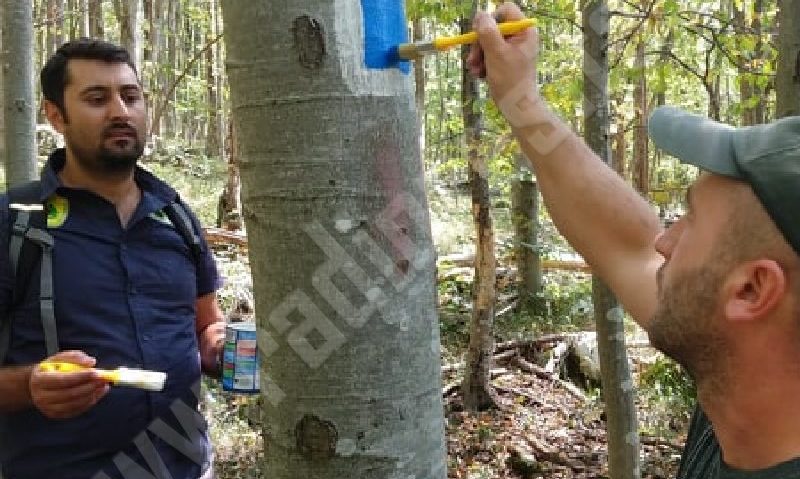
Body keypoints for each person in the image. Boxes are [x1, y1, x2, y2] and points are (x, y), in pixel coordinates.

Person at [469, 3, 800, 477]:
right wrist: (520, 97)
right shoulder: (748, 375)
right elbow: (627, 244)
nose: (665, 240)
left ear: (751, 290)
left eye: (690, 219)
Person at [0, 39, 226, 479]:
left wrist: (218, 346)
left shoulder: (175, 216)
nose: (120, 111)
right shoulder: (14, 224)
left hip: (182, 467)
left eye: (130, 95)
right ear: (55, 115)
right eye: (97, 98)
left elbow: (205, 323)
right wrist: (29, 386)